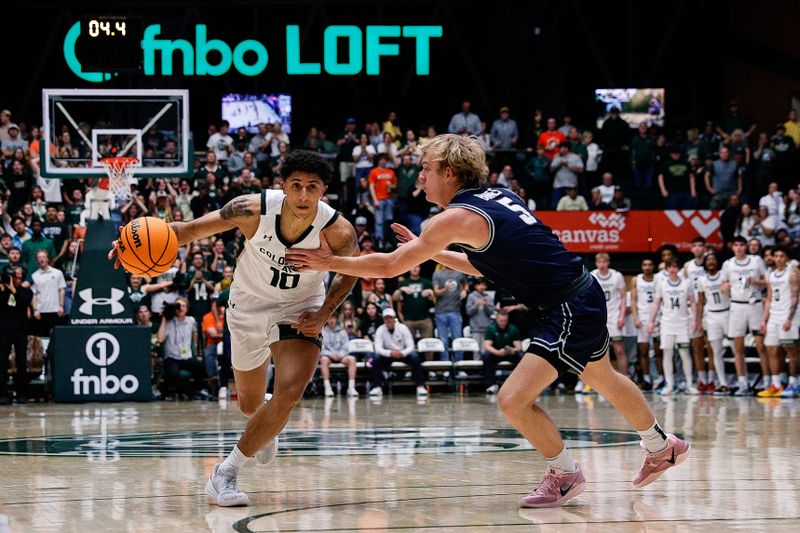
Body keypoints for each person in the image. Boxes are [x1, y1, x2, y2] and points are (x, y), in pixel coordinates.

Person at [287, 134, 690, 508]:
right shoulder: (497, 197)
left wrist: (330, 261)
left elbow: (391, 267)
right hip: (578, 295)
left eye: (426, 168)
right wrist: (427, 251)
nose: (420, 177)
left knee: (513, 399)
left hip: (567, 306)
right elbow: (484, 267)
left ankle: (567, 474)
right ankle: (661, 446)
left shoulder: (452, 219)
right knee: (604, 378)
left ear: (449, 171)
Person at [110, 150, 360, 507]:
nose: (304, 196)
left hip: (299, 307)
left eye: (312, 187)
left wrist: (323, 313)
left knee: (290, 391)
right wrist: (130, 245)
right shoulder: (250, 209)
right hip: (249, 305)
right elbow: (188, 231)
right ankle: (265, 420)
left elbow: (349, 272)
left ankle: (224, 473)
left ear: (324, 191)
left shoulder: (338, 231)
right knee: (250, 405)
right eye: (296, 186)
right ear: (283, 186)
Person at [720, 236, 768, 396]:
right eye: (736, 245)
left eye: (742, 245)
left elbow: (767, 281)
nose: (739, 248)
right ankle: (743, 383)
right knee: (737, 347)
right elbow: (722, 286)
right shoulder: (728, 264)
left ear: (746, 247)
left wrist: (756, 281)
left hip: (754, 304)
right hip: (737, 306)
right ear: (732, 247)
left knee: (761, 346)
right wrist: (725, 287)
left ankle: (767, 382)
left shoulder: (756, 261)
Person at [647, 257, 698, 395]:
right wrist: (651, 321)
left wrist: (694, 320)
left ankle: (689, 384)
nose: (673, 269)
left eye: (675, 266)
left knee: (684, 354)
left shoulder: (686, 283)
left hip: (683, 323)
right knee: (667, 354)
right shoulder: (662, 284)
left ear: (679, 268)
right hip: (667, 323)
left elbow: (693, 302)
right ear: (667, 268)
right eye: (670, 266)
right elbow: (656, 303)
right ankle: (669, 384)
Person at [758, 245, 799, 397]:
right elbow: (768, 298)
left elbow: (795, 298)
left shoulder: (793, 273)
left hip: (788, 316)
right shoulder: (771, 275)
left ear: (786, 258)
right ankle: (776, 385)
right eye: (777, 256)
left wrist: (789, 318)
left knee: (791, 351)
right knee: (771, 349)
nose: (779, 259)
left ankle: (794, 383)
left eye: (782, 256)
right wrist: (764, 320)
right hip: (773, 316)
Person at [368, 307, 427, 397]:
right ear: (384, 319)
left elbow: (411, 346)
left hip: (403, 353)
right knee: (376, 357)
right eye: (386, 318)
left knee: (415, 356)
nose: (388, 320)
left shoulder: (403, 328)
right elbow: (378, 348)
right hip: (389, 354)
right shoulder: (380, 330)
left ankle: (420, 386)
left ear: (394, 318)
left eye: (390, 318)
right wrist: (389, 353)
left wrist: (402, 353)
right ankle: (377, 387)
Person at [589, 253, 629, 380]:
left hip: (613, 316)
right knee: (598, 351)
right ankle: (599, 380)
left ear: (608, 262)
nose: (602, 265)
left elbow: (623, 298)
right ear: (596, 263)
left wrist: (622, 316)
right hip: (597, 317)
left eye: (604, 262)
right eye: (599, 262)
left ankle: (625, 378)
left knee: (618, 349)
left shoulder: (617, 276)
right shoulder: (592, 275)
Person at [695, 252, 730, 395]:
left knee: (735, 348)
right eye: (708, 260)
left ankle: (742, 381)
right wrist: (698, 321)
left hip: (727, 312)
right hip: (711, 316)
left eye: (713, 259)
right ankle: (722, 383)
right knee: (716, 351)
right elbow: (701, 302)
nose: (711, 262)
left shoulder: (724, 275)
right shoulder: (702, 280)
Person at [0, 266, 33, 404]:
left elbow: (24, 303)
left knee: (21, 362)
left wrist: (13, 289)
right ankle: (2, 393)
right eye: (14, 277)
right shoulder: (2, 291)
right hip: (3, 330)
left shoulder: (25, 291)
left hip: (20, 331)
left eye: (18, 277)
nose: (15, 279)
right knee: (1, 362)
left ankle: (21, 393)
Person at [629, 258, 663, 391]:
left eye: (649, 264)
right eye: (645, 265)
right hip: (642, 317)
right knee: (643, 351)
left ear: (653, 266)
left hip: (657, 317)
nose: (647, 267)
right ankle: (647, 378)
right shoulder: (636, 279)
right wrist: (635, 317)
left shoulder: (659, 279)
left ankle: (661, 378)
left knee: (659, 350)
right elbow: (633, 300)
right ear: (642, 267)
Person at [682, 237, 708, 391]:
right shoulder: (687, 266)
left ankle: (713, 378)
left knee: (711, 347)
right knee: (697, 347)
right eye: (695, 246)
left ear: (705, 248)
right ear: (692, 249)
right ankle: (701, 379)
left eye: (700, 245)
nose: (698, 248)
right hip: (694, 309)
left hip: (710, 307)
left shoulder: (711, 261)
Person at [482, 310, 523, 395]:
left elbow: (519, 347)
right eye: (501, 321)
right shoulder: (491, 328)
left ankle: (520, 385)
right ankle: (491, 385)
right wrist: (497, 352)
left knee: (521, 356)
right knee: (486, 356)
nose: (503, 323)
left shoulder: (513, 328)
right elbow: (487, 345)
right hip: (496, 353)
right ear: (497, 319)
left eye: (505, 321)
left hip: (509, 353)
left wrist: (513, 350)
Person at [319, 315, 359, 398]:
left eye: (333, 318)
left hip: (341, 356)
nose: (331, 320)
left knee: (352, 359)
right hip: (328, 356)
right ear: (326, 320)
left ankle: (351, 388)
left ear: (336, 319)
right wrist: (331, 355)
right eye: (329, 318)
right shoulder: (323, 332)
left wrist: (339, 355)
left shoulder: (342, 331)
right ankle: (328, 388)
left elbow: (346, 347)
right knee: (323, 360)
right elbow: (321, 348)